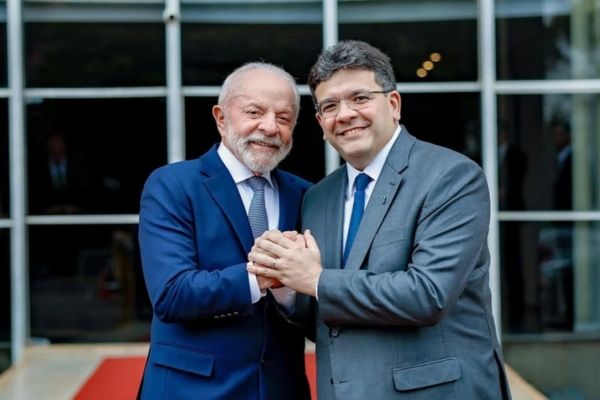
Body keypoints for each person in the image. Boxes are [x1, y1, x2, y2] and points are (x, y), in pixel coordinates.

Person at [248, 41, 511, 399]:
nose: (344, 114)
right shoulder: (318, 197)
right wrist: (286, 285)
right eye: (330, 106)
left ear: (394, 104)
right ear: (321, 123)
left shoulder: (451, 177)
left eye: (359, 98)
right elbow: (326, 317)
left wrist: (317, 279)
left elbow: (429, 294)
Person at [137, 62, 311, 400]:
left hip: (281, 388)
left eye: (284, 118)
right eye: (254, 112)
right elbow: (172, 294)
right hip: (192, 389)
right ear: (221, 118)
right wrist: (264, 276)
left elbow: (313, 301)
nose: (270, 127)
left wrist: (290, 293)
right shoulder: (173, 185)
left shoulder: (305, 195)